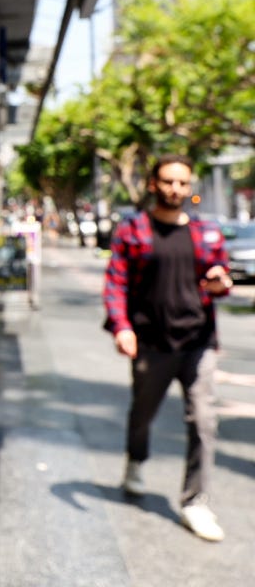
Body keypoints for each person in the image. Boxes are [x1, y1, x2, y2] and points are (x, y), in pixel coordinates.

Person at [103, 154, 232, 542]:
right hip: (151, 342)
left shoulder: (206, 233)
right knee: (143, 412)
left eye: (183, 183)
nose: (176, 189)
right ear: (153, 184)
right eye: (169, 182)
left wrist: (219, 282)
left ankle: (195, 502)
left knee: (203, 420)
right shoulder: (133, 231)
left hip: (198, 340)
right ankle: (136, 460)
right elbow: (116, 283)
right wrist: (122, 327)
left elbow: (221, 278)